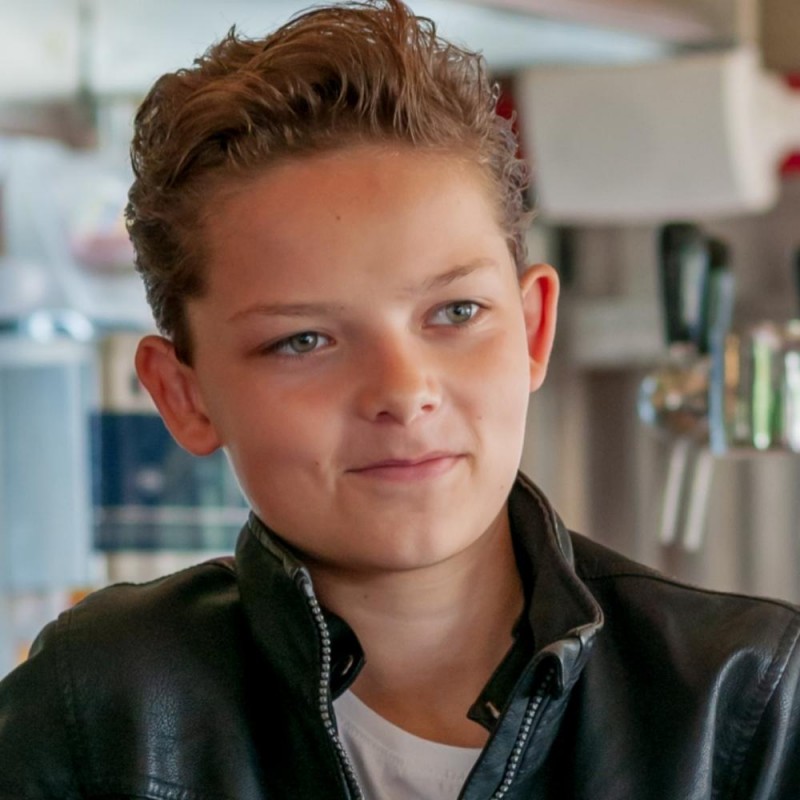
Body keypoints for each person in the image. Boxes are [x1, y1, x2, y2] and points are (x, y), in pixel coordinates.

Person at [1, 1, 800, 797]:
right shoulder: (95, 713)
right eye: (303, 340)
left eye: (456, 312)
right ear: (186, 396)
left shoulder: (748, 705)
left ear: (531, 329)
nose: (403, 391)